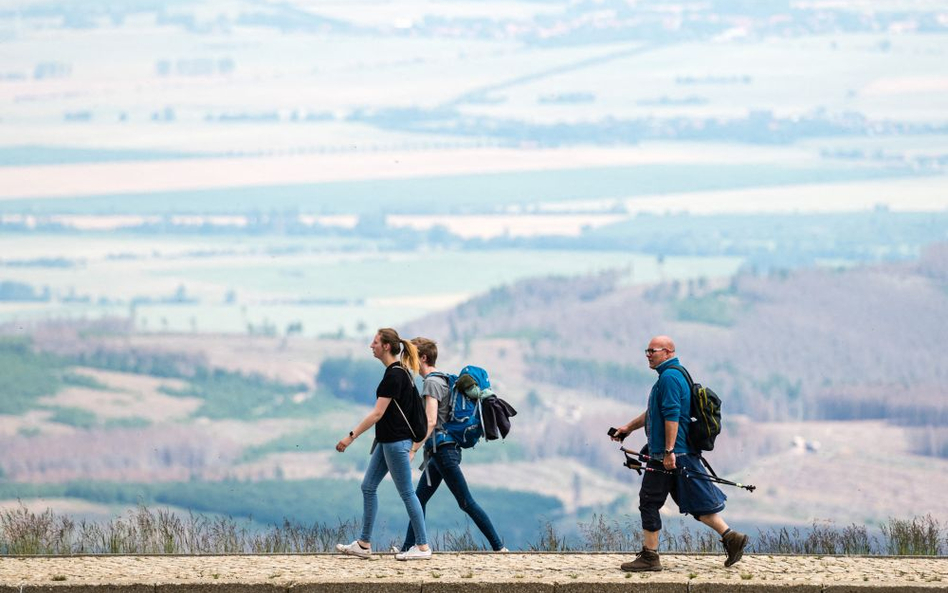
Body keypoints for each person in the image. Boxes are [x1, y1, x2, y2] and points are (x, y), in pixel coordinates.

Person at [611, 335, 749, 571]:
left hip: (668, 455)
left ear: (668, 352)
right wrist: (627, 428)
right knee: (696, 502)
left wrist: (668, 452)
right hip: (676, 454)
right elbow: (654, 412)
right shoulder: (672, 375)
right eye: (647, 350)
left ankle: (650, 557)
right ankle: (731, 538)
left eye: (652, 350)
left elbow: (672, 416)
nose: (648, 354)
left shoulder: (670, 378)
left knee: (649, 501)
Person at [398, 337, 507, 553]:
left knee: (465, 502)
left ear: (423, 358)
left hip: (443, 452)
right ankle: (408, 548)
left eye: (410, 356)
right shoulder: (445, 379)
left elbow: (430, 421)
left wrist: (413, 449)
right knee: (418, 500)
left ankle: (499, 547)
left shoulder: (431, 382)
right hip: (441, 451)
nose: (407, 360)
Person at [334, 328, 432, 561]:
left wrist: (351, 436)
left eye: (375, 342)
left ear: (386, 346)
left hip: (396, 443)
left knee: (408, 493)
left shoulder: (394, 375)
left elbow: (377, 414)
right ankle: (364, 544)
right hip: (387, 442)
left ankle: (422, 547)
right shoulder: (401, 372)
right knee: (368, 487)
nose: (371, 345)